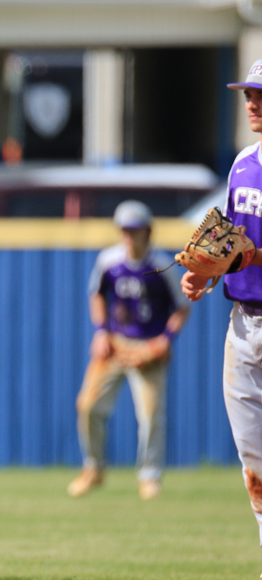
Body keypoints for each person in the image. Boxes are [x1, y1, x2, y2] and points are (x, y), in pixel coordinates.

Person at [183, 57, 262, 580]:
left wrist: (249, 257)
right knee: (254, 462)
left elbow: (248, 252)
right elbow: (231, 244)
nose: (252, 103)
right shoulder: (242, 165)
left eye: (261, 95)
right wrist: (206, 273)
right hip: (243, 324)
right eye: (249, 95)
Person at [67, 200, 190, 501]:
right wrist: (101, 331)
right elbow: (97, 294)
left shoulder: (162, 265)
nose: (129, 236)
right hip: (116, 343)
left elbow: (182, 307)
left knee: (150, 415)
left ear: (148, 232)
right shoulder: (109, 260)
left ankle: (149, 476)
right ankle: (93, 468)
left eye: (135, 230)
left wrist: (165, 340)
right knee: (88, 405)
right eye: (125, 230)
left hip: (147, 347)